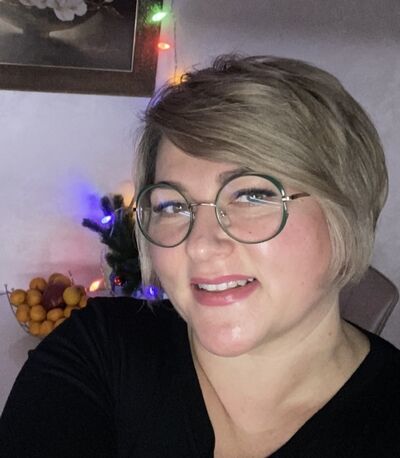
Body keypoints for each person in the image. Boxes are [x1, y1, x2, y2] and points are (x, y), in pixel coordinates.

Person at [1, 55, 399, 458]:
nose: (200, 244)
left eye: (252, 195)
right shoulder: (97, 352)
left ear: (346, 208)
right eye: (172, 205)